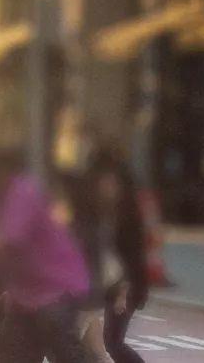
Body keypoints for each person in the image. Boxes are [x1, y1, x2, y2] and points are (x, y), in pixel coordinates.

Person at [0, 151, 93, 363]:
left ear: (4, 172)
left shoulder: (23, 192)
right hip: (25, 294)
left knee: (62, 346)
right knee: (13, 350)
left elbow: (6, 237)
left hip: (55, 286)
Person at [74, 147, 148, 363]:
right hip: (101, 284)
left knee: (112, 343)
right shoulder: (92, 213)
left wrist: (123, 291)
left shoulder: (127, 214)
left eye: (112, 182)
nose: (108, 187)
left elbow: (132, 256)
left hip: (126, 285)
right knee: (91, 345)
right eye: (102, 182)